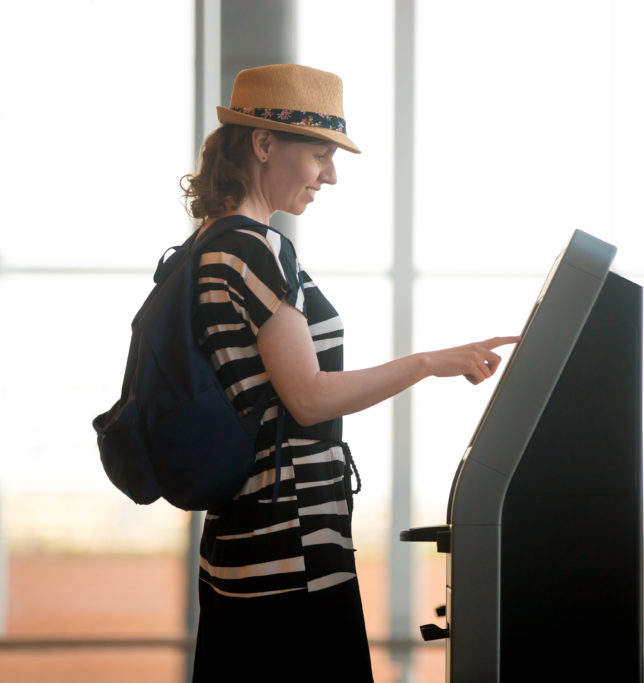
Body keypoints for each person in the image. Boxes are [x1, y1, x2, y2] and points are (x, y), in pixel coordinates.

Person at [180, 63, 518, 681]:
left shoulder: (210, 241)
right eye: (319, 154)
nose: (330, 176)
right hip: (294, 545)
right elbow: (308, 400)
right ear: (263, 144)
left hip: (242, 540)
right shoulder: (258, 246)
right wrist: (428, 363)